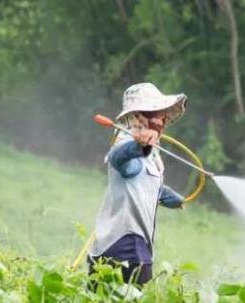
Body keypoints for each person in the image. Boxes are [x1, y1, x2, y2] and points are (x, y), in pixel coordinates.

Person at [88, 82, 187, 286]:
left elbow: (148, 187)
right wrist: (138, 146)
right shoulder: (126, 142)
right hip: (125, 246)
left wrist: (175, 200)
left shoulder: (152, 153)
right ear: (141, 116)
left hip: (129, 245)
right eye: (159, 114)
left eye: (164, 114)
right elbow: (120, 160)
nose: (164, 120)